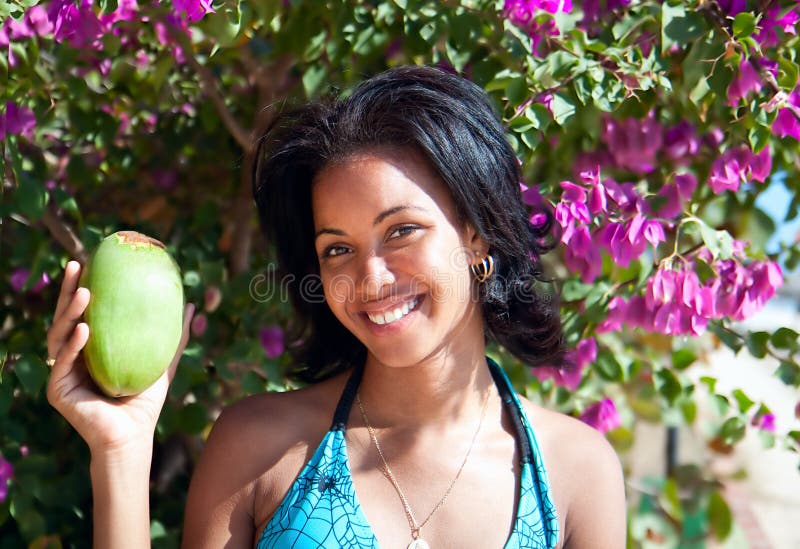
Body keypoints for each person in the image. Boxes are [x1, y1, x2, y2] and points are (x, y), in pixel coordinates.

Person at [46, 65, 626, 548]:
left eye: (401, 231)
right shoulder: (259, 448)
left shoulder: (576, 472)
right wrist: (120, 452)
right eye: (338, 248)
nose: (369, 278)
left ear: (477, 234)